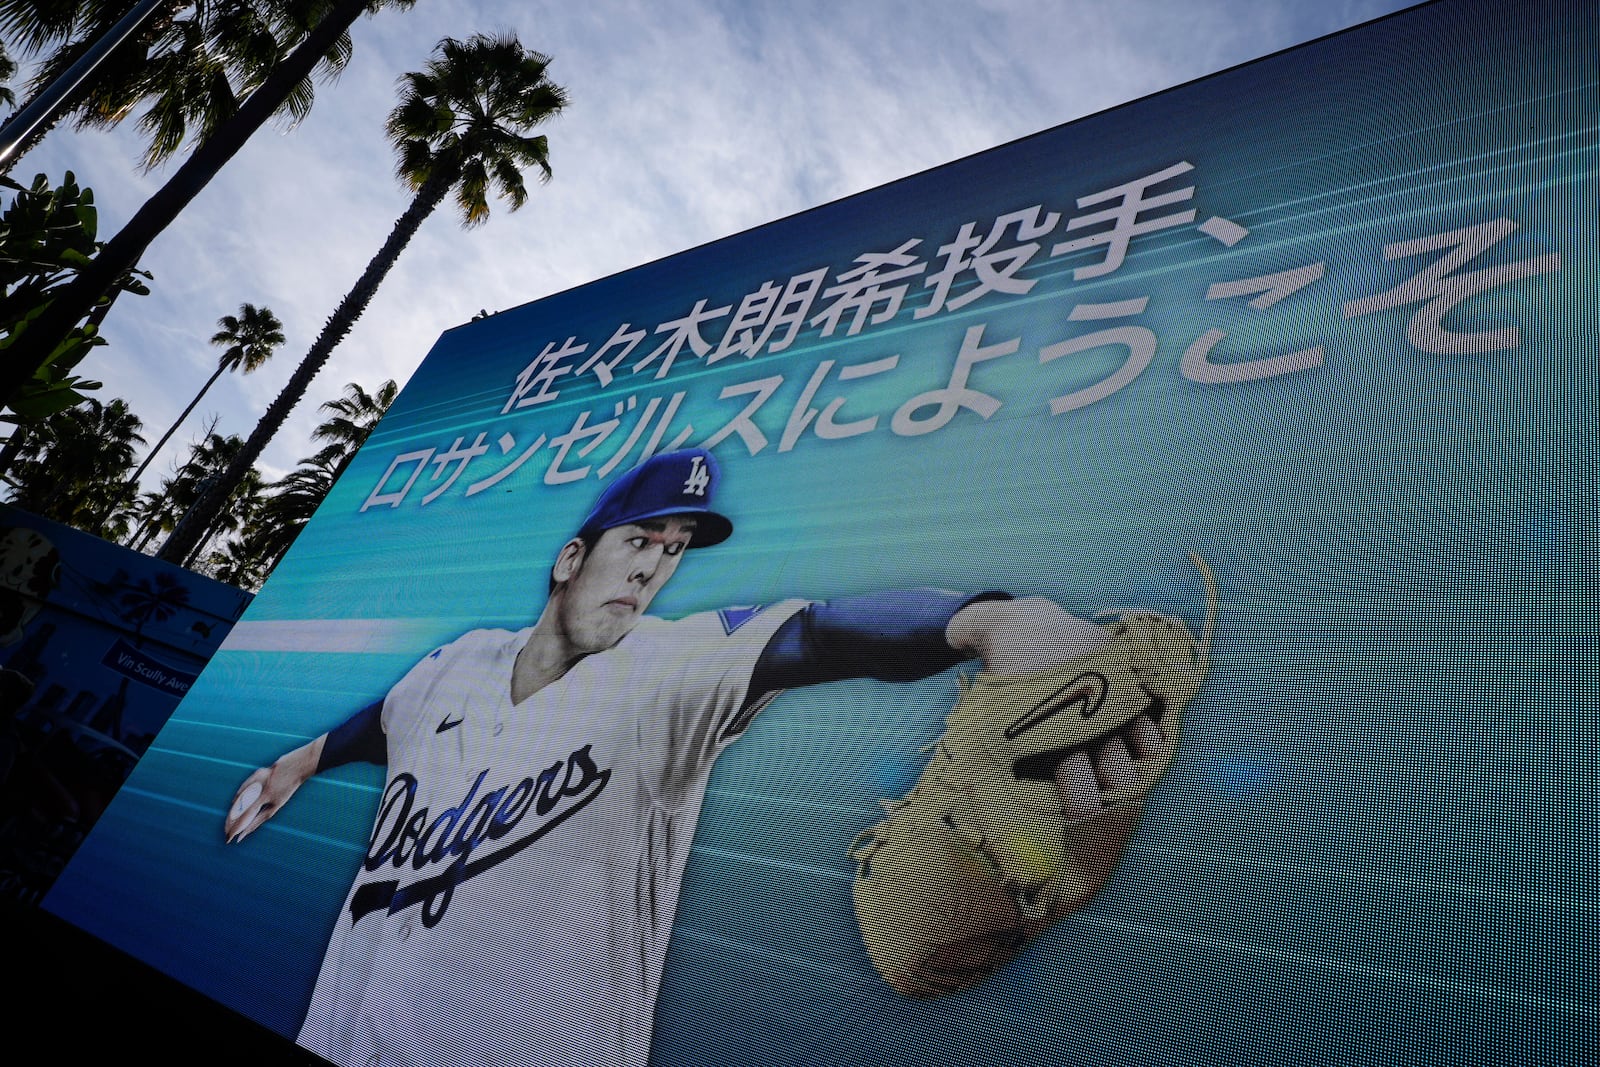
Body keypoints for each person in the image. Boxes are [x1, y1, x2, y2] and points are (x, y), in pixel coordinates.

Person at [225, 448, 1176, 1067]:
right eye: (639, 540)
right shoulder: (456, 662)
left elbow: (819, 633)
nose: (653, 566)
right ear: (570, 558)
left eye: (673, 550)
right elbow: (382, 720)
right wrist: (296, 764)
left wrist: (987, 620)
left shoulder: (671, 665)